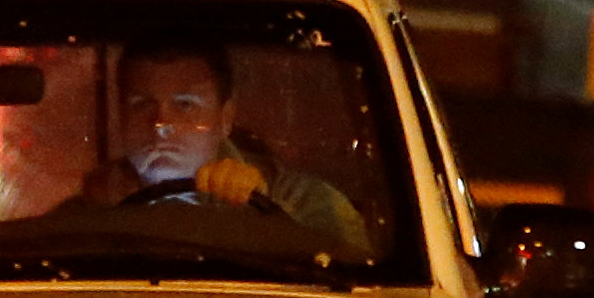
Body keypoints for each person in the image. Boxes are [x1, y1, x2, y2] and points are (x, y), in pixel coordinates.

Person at [71, 44, 371, 256]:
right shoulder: (91, 208)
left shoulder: (306, 204)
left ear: (224, 119)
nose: (161, 124)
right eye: (141, 105)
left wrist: (263, 217)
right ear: (121, 118)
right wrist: (97, 221)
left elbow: (361, 293)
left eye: (185, 104)